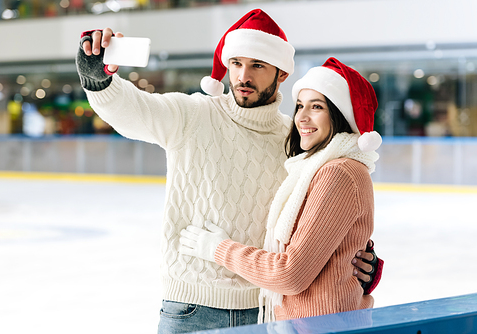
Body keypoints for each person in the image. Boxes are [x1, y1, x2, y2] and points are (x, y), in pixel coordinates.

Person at [75, 9, 382, 333]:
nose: (242, 76)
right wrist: (99, 82)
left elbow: (320, 226)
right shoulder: (193, 114)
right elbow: (132, 111)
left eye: (257, 65)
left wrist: (359, 266)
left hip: (266, 310)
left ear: (281, 74)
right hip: (192, 310)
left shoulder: (296, 141)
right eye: (236, 63)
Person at [179, 57, 382, 323]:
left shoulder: (338, 172)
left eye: (317, 106)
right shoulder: (314, 167)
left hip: (324, 326)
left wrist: (218, 249)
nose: (302, 117)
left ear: (339, 115)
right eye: (299, 106)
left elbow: (291, 274)